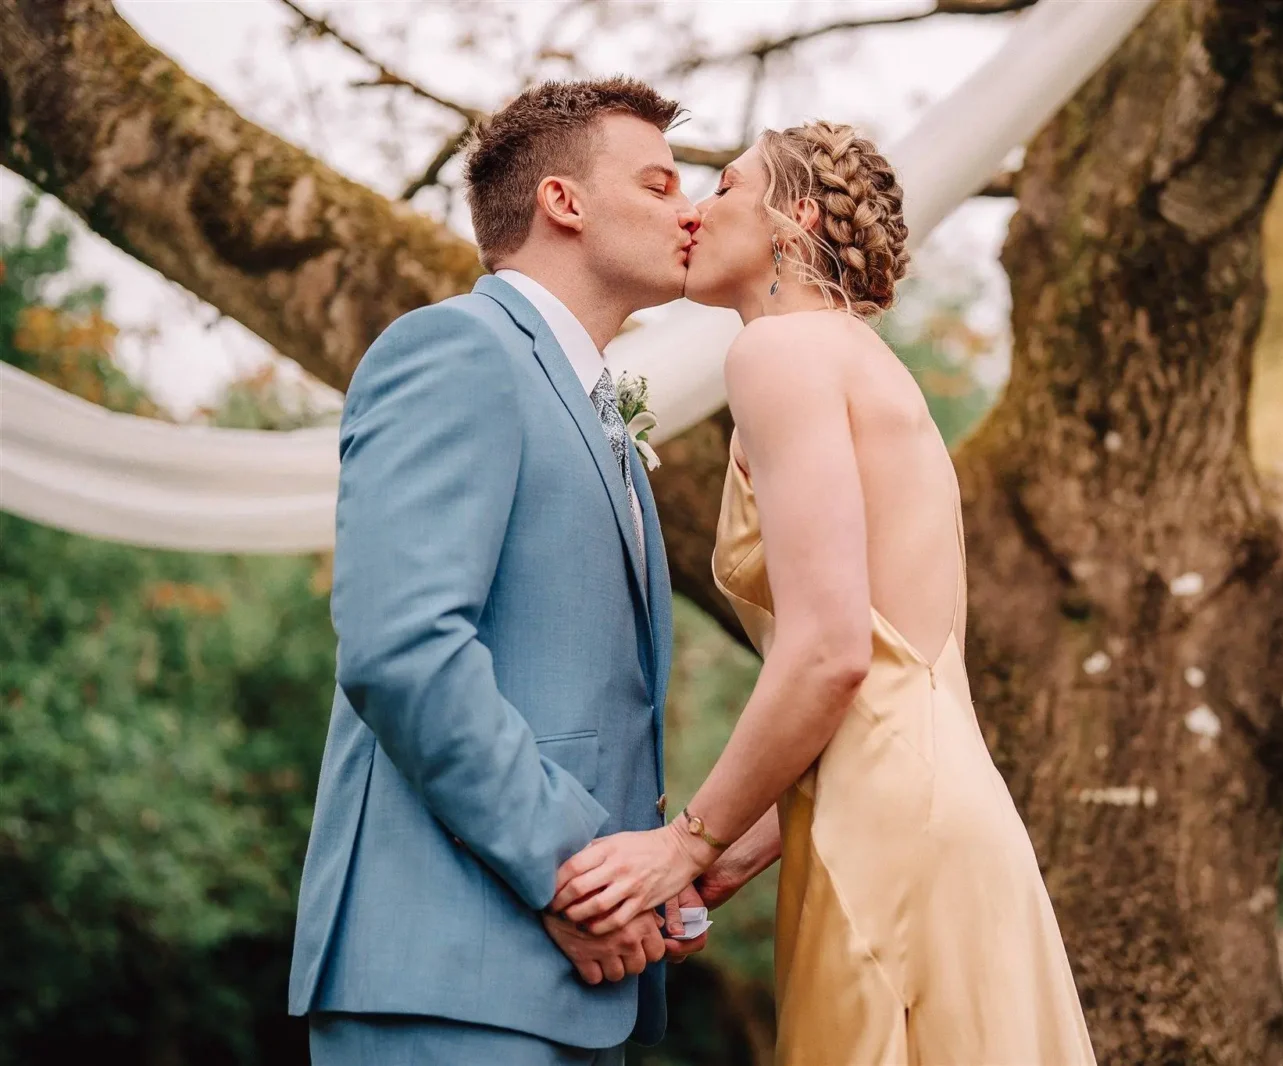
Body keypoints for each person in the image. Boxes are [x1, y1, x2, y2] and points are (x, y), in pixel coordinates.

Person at [549, 121, 1099, 1064]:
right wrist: (738, 850)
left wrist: (682, 844)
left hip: (887, 839)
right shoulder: (859, 364)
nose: (692, 209)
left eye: (722, 186)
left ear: (792, 218)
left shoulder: (781, 355)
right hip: (935, 809)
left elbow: (831, 650)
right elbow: (885, 676)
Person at [287, 77, 707, 1066]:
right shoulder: (456, 352)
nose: (688, 211)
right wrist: (575, 875)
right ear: (564, 201)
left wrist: (651, 876)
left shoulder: (595, 407)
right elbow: (404, 647)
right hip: (450, 971)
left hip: (564, 982)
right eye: (657, 184)